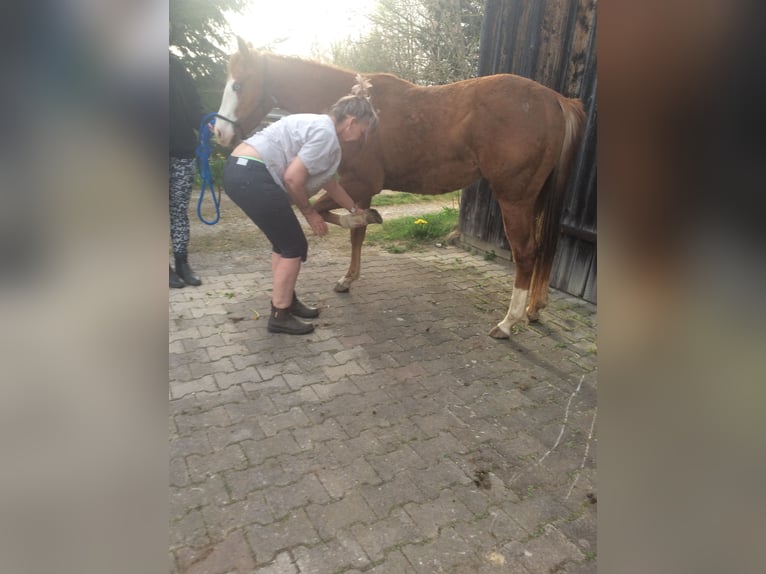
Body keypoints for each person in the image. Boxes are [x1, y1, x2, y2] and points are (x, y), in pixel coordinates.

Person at [221, 79, 379, 335]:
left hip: (241, 170)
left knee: (283, 245)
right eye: (363, 131)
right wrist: (310, 213)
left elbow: (329, 181)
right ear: (351, 122)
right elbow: (293, 178)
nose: (361, 138)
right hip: (253, 175)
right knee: (294, 246)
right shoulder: (326, 134)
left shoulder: (320, 128)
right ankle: (279, 315)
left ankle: (286, 302)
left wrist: (354, 211)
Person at [169, 54, 204, 288]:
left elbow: (191, 101)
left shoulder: (173, 64)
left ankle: (182, 262)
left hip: (182, 149)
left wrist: (206, 123)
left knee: (179, 211)